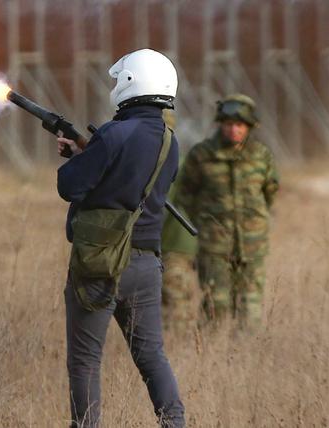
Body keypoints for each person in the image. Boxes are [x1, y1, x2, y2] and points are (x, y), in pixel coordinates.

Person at [56, 48, 185, 428]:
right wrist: (88, 152)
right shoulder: (169, 141)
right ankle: (174, 423)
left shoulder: (113, 134)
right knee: (151, 357)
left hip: (102, 263)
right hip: (147, 265)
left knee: (85, 360)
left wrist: (79, 158)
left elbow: (71, 186)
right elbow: (132, 182)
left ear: (130, 83)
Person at [177, 94, 279, 328]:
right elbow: (186, 194)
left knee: (250, 308)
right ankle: (209, 357)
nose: (234, 130)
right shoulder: (202, 155)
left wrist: (254, 221)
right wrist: (205, 224)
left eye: (239, 125)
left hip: (253, 244)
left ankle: (245, 358)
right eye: (229, 124)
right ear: (221, 124)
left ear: (249, 127)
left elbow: (270, 192)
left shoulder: (260, 156)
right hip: (215, 245)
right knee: (216, 305)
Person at [159, 110, 200, 332]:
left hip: (175, 246)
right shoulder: (182, 161)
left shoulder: (170, 164)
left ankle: (180, 351)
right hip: (178, 246)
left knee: (177, 304)